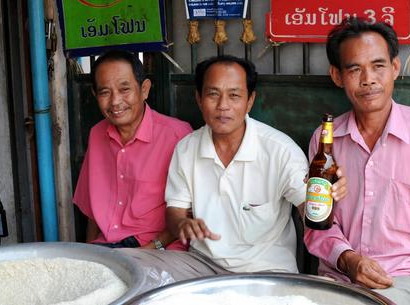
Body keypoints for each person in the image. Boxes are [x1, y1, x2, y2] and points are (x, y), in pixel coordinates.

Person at [119, 55, 346, 282]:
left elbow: (307, 211)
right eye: (213, 94)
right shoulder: (187, 148)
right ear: (199, 98)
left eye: (234, 95)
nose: (223, 106)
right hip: (202, 265)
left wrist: (324, 201)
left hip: (266, 270)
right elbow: (175, 211)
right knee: (125, 264)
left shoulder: (280, 150)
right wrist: (182, 224)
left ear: (250, 101)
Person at [304, 18, 410, 305]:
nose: (368, 79)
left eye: (378, 66)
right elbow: (317, 221)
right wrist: (347, 259)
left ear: (395, 68)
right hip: (338, 278)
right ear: (337, 76)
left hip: (406, 278)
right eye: (354, 69)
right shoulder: (326, 140)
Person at [73, 50, 192, 250]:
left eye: (124, 89)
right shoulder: (97, 134)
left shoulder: (177, 135)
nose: (115, 101)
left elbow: (189, 212)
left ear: (144, 89)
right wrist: (90, 253)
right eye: (104, 92)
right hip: (108, 247)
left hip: (158, 250)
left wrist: (151, 248)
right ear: (95, 95)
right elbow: (92, 209)